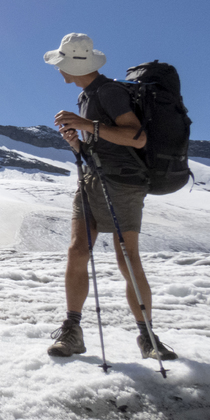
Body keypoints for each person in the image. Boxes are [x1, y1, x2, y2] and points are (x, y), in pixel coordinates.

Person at [43, 33, 177, 361]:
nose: (59, 70)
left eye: (62, 64)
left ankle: (147, 336)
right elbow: (101, 146)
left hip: (124, 184)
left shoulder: (110, 91)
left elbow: (137, 137)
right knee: (77, 251)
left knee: (126, 258)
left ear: (75, 65)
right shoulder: (86, 96)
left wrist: (87, 124)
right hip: (93, 180)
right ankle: (72, 330)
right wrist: (78, 142)